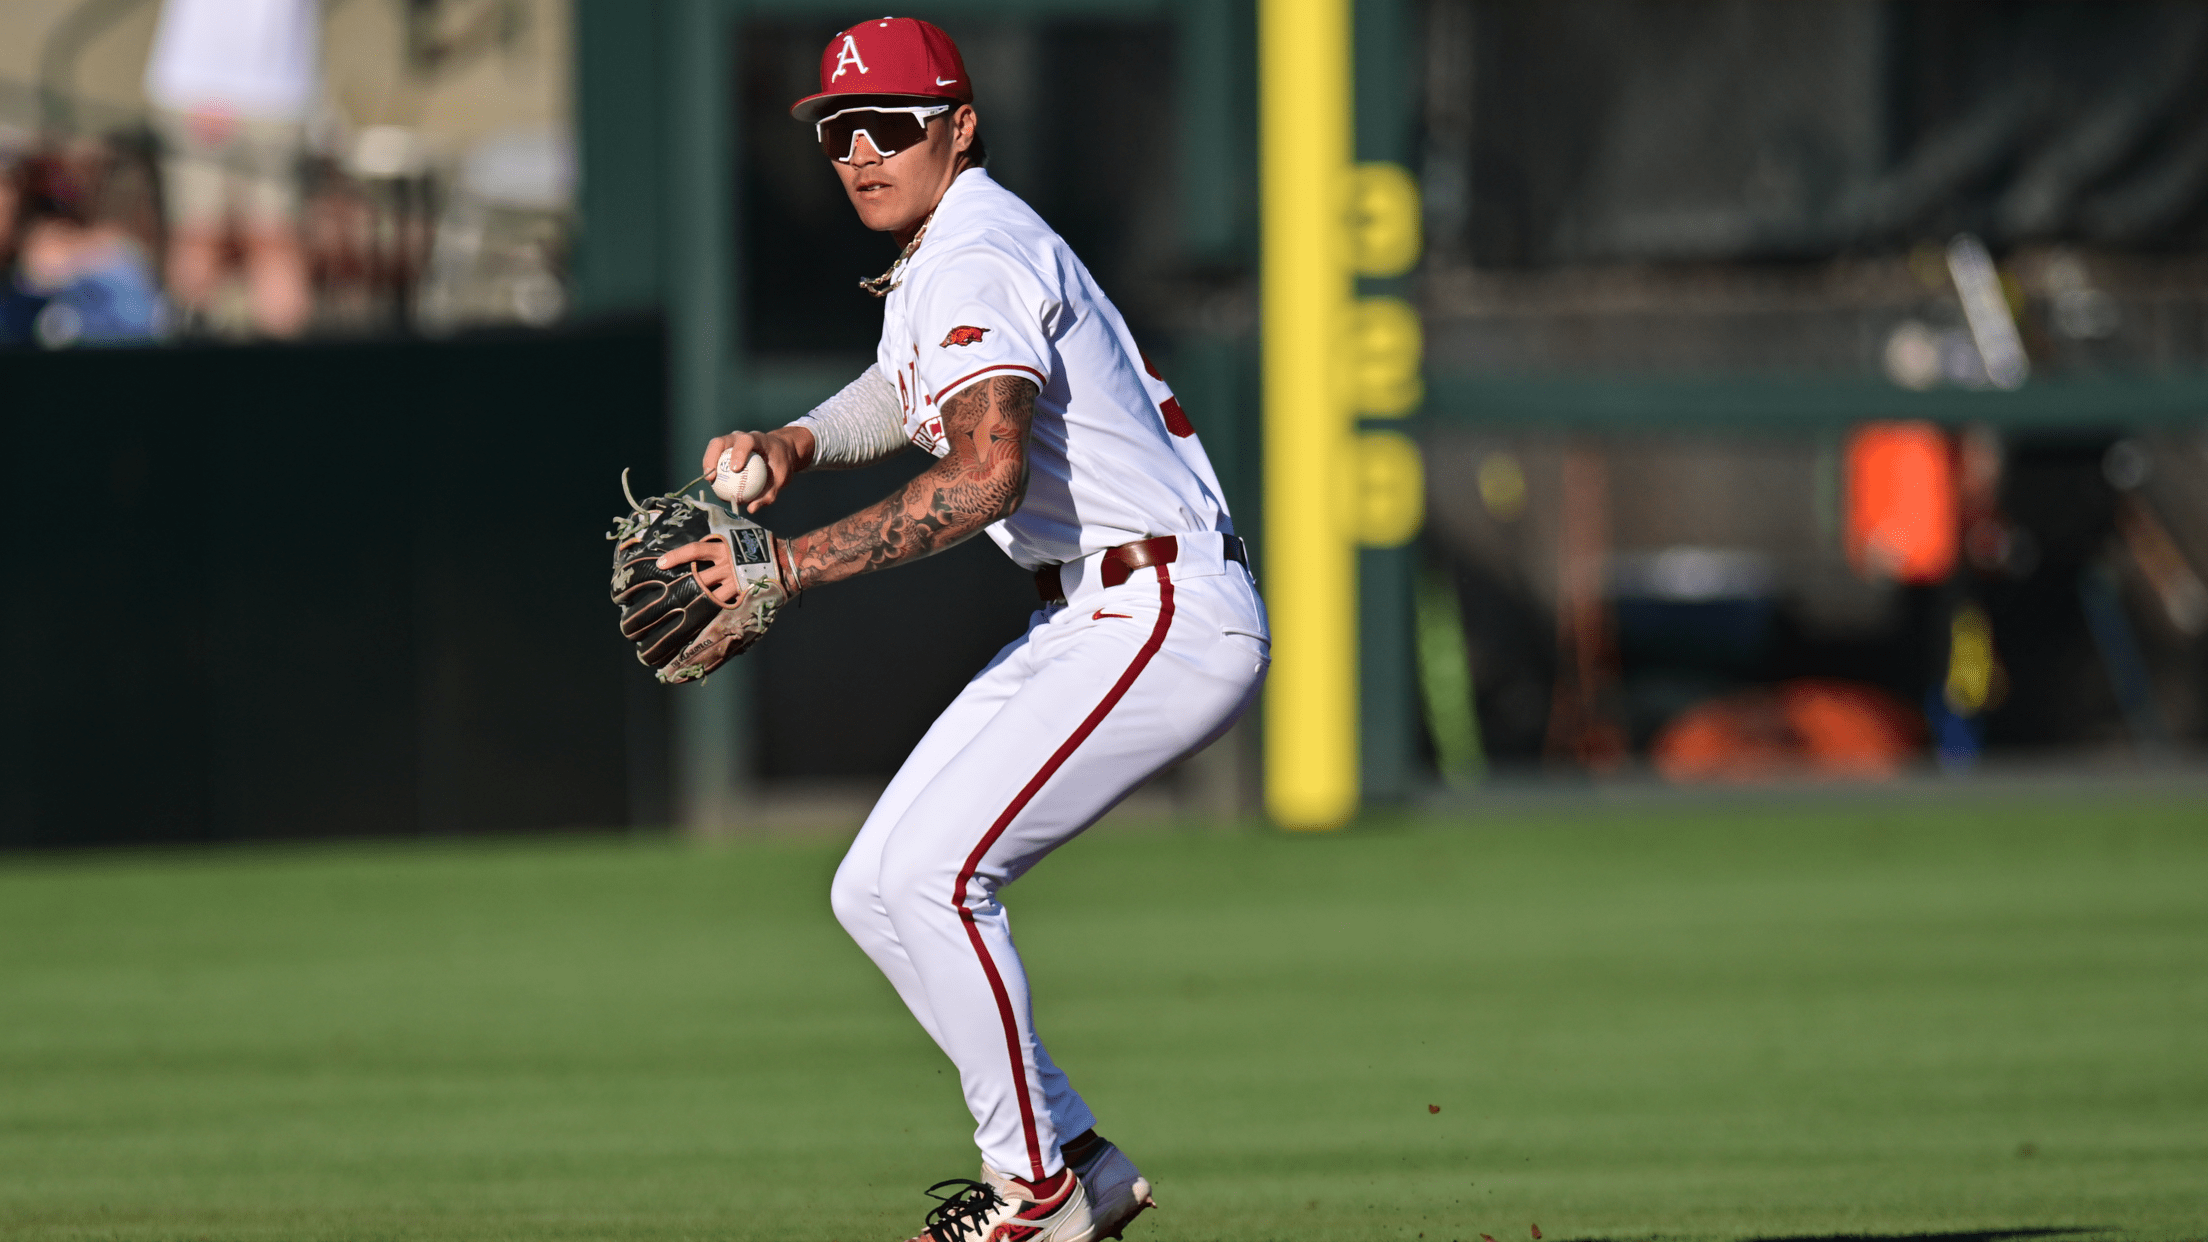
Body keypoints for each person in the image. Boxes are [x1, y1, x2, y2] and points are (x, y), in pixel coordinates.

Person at [656, 18, 1268, 1242]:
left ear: (961, 126)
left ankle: (1035, 1190)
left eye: (889, 124)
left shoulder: (975, 251)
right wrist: (798, 442)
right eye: (839, 131)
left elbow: (986, 474)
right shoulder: (949, 252)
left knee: (937, 878)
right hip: (1094, 607)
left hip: (1154, 604)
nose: (861, 152)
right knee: (873, 888)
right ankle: (1076, 1159)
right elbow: (909, 388)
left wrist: (791, 565)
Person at [143, 0, 318, 337]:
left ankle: (284, 360)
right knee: (199, 234)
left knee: (273, 239)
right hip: (194, 89)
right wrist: (211, 87)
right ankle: (192, 347)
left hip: (277, 96)